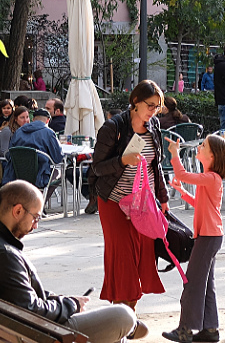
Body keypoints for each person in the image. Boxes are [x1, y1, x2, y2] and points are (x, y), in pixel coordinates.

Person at [0, 180, 141, 343]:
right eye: (35, 217)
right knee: (123, 315)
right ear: (17, 211)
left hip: (17, 330)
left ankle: (128, 332)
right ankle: (131, 328)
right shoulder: (3, 254)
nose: (35, 225)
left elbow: (18, 293)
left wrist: (62, 300)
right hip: (40, 334)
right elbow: (31, 310)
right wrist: (72, 305)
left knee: (116, 334)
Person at [89, 80, 169, 312]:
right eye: (150, 105)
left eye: (157, 107)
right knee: (122, 258)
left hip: (143, 203)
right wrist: (122, 160)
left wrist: (162, 198)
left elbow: (157, 165)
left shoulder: (153, 126)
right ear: (135, 101)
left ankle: (127, 314)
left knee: (142, 255)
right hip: (114, 201)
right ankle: (123, 316)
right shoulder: (113, 127)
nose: (154, 111)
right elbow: (97, 168)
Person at [161, 134, 225, 343]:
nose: (199, 147)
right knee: (206, 284)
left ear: (212, 155)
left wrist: (174, 154)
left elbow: (182, 173)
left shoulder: (211, 178)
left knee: (192, 283)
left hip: (209, 237)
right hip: (211, 236)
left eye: (203, 145)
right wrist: (182, 192)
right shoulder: (210, 178)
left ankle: (186, 329)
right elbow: (201, 203)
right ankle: (210, 330)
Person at [2, 109, 64, 187]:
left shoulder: (19, 131)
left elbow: (9, 154)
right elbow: (58, 158)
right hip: (39, 176)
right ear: (48, 121)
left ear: (33, 119)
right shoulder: (49, 132)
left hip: (16, 175)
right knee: (58, 173)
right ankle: (42, 198)